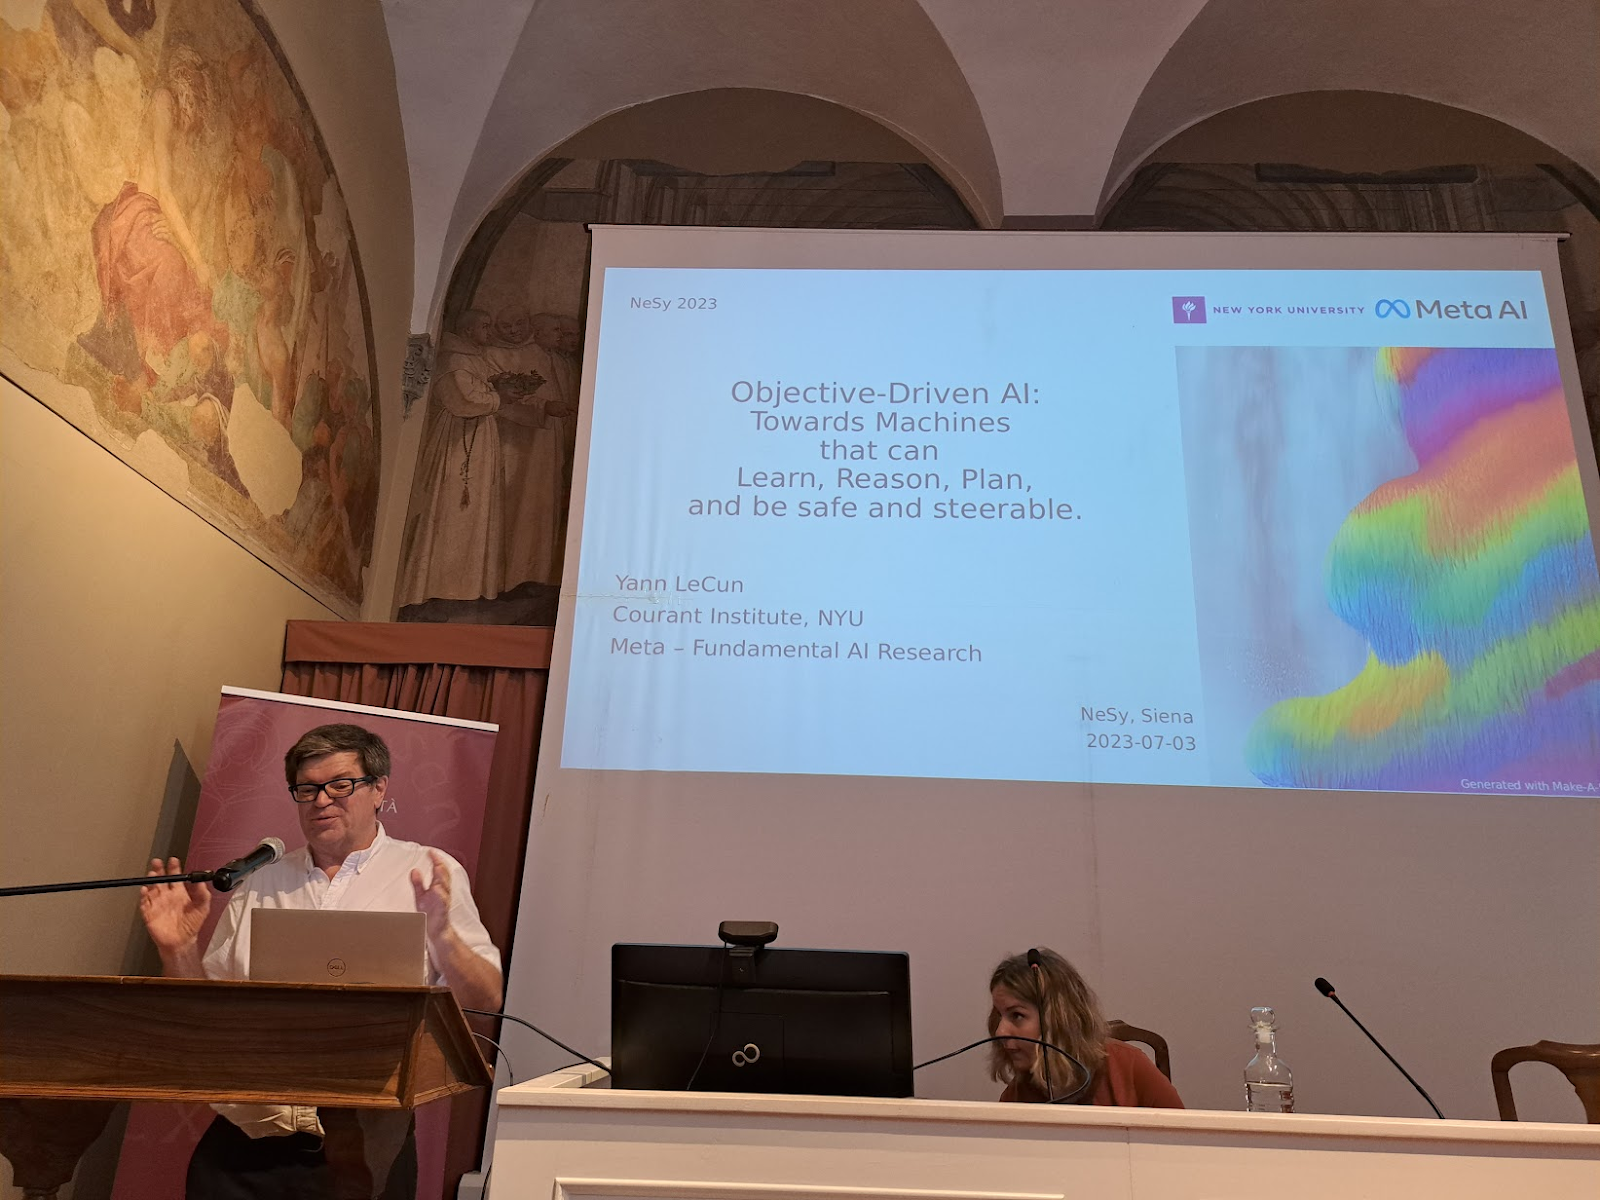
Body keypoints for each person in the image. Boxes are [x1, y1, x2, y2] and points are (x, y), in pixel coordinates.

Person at [139, 723, 503, 1199]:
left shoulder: (427, 870)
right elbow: (203, 1018)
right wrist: (179, 948)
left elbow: (486, 999)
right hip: (245, 1144)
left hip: (365, 1150)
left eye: (340, 785)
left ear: (379, 789)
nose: (321, 801)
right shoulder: (263, 879)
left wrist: (443, 936)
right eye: (307, 789)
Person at [988, 947, 1183, 1108]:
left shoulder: (1130, 1068)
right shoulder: (1015, 1097)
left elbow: (1181, 1138)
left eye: (1017, 1015)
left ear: (1058, 1019)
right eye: (999, 1015)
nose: (1000, 1032)